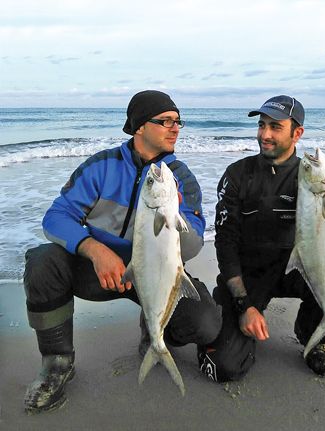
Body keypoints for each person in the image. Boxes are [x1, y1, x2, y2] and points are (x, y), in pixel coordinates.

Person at [23, 90, 222, 413]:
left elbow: (194, 245)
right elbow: (56, 217)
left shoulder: (180, 178)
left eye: (178, 122)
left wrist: (176, 215)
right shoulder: (101, 167)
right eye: (165, 121)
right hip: (102, 271)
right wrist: (93, 249)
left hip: (158, 274)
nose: (175, 128)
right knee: (43, 261)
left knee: (206, 324)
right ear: (139, 127)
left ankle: (153, 329)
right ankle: (57, 363)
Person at [198, 95, 325, 382]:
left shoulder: (311, 175)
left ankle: (312, 334)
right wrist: (244, 306)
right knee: (224, 369)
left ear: (297, 133)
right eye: (261, 125)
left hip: (298, 268)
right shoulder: (237, 175)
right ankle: (222, 326)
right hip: (249, 276)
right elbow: (226, 243)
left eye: (275, 127)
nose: (264, 135)